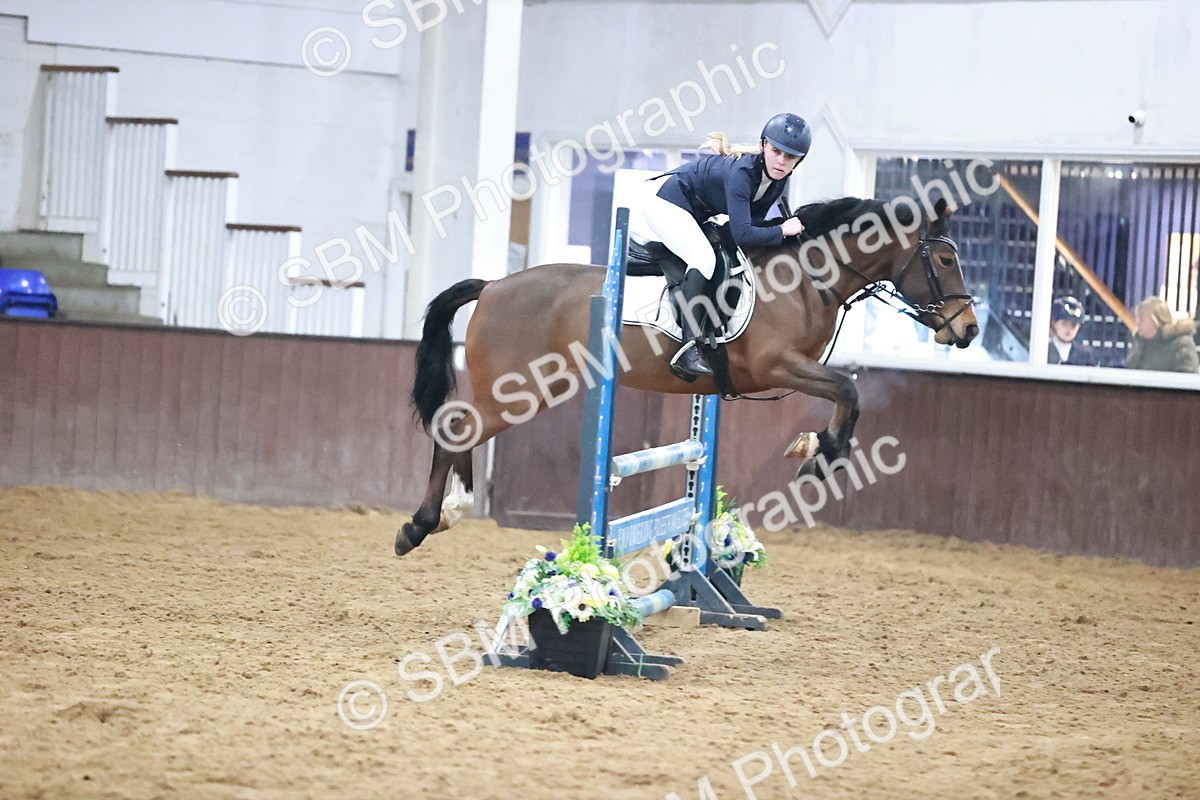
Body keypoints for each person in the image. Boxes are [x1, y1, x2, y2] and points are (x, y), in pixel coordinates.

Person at [641, 113, 810, 379]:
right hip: (664, 202)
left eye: (790, 157)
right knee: (704, 259)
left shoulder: (778, 182)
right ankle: (687, 349)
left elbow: (747, 228)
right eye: (776, 151)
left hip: (694, 211)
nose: (781, 161)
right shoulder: (743, 174)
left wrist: (781, 231)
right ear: (763, 145)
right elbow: (745, 234)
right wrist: (781, 229)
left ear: (798, 161)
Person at [1126, 296, 1200, 373]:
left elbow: (1187, 375)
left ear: (1155, 321)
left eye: (1141, 319)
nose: (1137, 323)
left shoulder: (1181, 343)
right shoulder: (1139, 343)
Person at [1047, 296, 1098, 366]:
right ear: (1053, 323)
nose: (1069, 329)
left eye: (1073, 325)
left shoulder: (1085, 355)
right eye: (1064, 323)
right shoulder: (1043, 350)